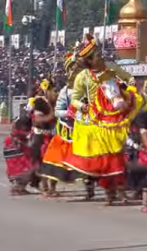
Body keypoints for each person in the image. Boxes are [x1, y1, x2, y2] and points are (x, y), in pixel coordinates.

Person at [64, 35, 140, 205]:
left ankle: (121, 193)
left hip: (115, 117)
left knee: (116, 157)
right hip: (95, 121)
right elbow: (74, 98)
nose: (101, 57)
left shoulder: (111, 68)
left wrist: (127, 88)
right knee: (103, 160)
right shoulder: (83, 77)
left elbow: (129, 78)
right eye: (97, 56)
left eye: (100, 54)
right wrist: (82, 106)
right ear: (89, 61)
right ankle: (107, 193)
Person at [39, 53, 86, 197]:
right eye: (73, 69)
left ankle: (92, 189)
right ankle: (50, 188)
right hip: (66, 132)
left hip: (85, 130)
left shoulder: (90, 89)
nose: (76, 72)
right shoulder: (65, 92)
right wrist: (69, 113)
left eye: (79, 69)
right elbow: (58, 111)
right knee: (56, 160)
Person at [3, 114, 36, 195]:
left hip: (11, 153)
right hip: (18, 153)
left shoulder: (15, 132)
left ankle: (19, 187)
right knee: (26, 169)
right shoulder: (22, 132)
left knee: (16, 170)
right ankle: (17, 188)